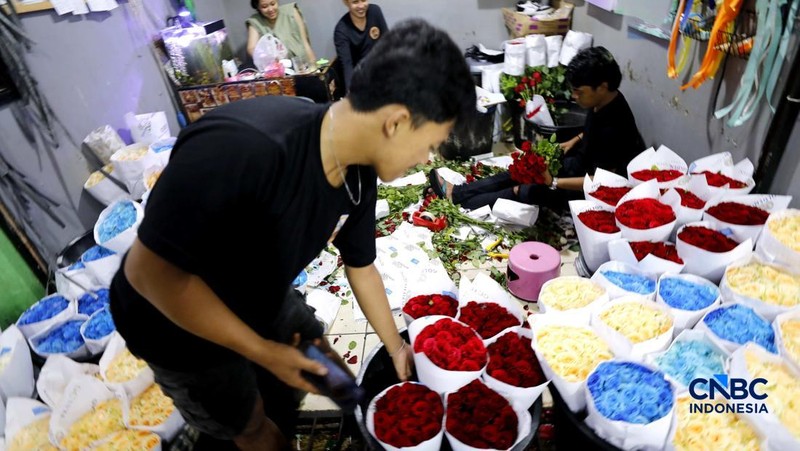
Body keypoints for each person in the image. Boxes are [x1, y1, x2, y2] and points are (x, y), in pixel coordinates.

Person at [109, 19, 475, 451]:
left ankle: (354, 414)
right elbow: (149, 275)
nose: (424, 159)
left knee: (317, 352)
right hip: (172, 317)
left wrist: (396, 347)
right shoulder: (248, 146)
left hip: (257, 286)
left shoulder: (359, 172)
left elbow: (361, 265)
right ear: (396, 122)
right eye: (431, 145)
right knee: (247, 421)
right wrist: (263, 351)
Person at [429, 46, 645, 212]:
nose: (575, 97)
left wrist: (554, 182)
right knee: (521, 170)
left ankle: (462, 205)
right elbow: (593, 129)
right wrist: (575, 139)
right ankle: (455, 192)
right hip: (579, 164)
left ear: (603, 86)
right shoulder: (604, 100)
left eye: (579, 91)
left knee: (522, 189)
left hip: (587, 193)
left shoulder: (616, 128)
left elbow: (602, 182)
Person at [334, 0, 388, 91]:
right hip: (361, 78)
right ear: (347, 3)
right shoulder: (341, 31)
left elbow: (389, 43)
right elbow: (347, 67)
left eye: (363, 0)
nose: (361, 6)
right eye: (355, 2)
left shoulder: (375, 11)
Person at [246, 0, 316, 67]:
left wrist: (313, 64)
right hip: (277, 70)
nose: (270, 9)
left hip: (302, 63)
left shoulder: (291, 11)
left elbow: (305, 42)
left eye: (273, 4)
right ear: (257, 7)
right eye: (264, 6)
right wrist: (267, 58)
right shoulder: (255, 21)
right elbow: (251, 48)